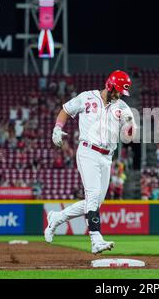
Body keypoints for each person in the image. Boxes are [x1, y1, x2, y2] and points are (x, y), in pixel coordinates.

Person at [44, 70, 137, 254]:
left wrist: (130, 126)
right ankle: (96, 239)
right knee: (93, 195)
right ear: (110, 85)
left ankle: (56, 218)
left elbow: (129, 137)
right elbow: (65, 110)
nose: (119, 94)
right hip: (88, 151)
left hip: (107, 156)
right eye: (118, 90)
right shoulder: (87, 97)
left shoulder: (123, 107)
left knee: (95, 201)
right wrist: (57, 128)